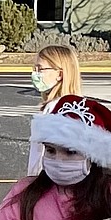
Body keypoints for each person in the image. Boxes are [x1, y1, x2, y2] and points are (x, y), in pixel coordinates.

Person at [27, 44, 83, 176]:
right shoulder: (69, 106)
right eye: (34, 68)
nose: (35, 74)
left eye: (40, 69)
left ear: (60, 74)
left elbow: (46, 156)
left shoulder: (57, 110)